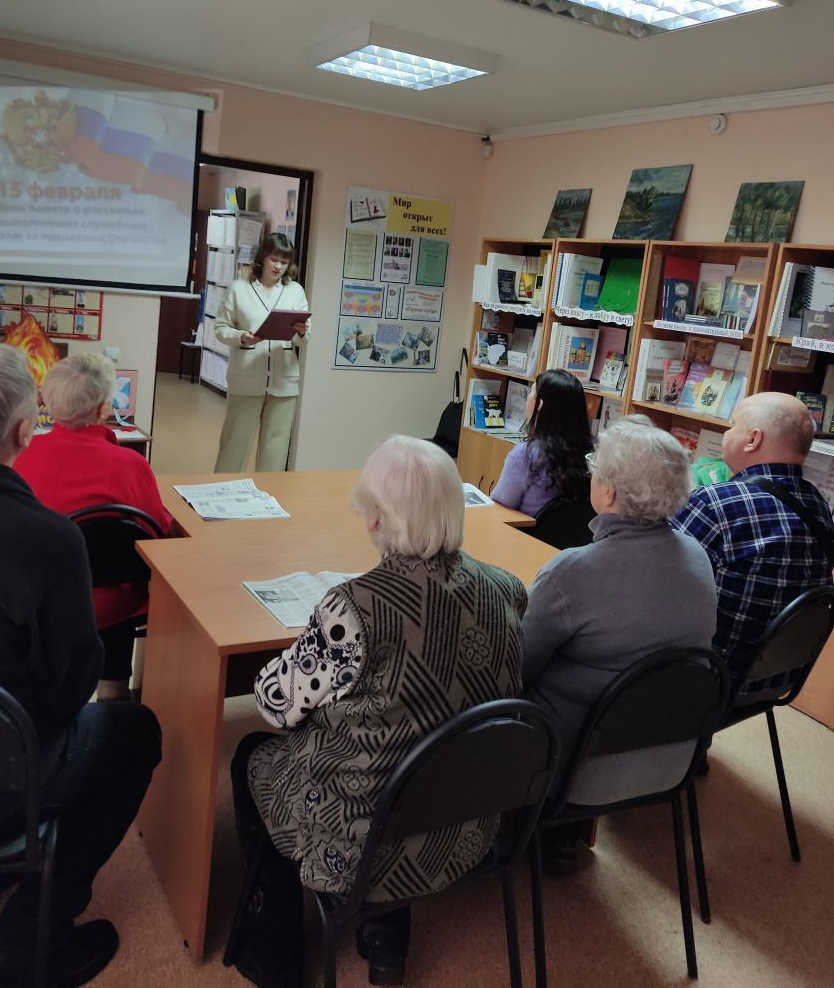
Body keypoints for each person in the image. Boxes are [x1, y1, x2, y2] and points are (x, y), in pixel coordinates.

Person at [230, 435, 527, 988]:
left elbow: (276, 705)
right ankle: (388, 937)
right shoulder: (506, 589)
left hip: (360, 839)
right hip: (464, 823)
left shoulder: (354, 608)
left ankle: (273, 953)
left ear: (374, 520)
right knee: (413, 748)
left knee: (253, 755)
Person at [0, 344, 161, 988]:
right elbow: (72, 686)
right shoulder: (47, 538)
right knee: (134, 733)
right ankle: (25, 947)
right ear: (21, 430)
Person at [522, 415, 717, 794]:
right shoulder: (697, 555)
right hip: (673, 752)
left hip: (575, 763)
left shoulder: (571, 572)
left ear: (609, 492)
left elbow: (518, 664)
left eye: (595, 468)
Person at [14, 352, 174, 701]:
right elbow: (158, 534)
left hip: (38, 602)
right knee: (118, 594)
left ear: (46, 403)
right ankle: (113, 692)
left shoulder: (20, 457)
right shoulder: (131, 465)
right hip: (112, 606)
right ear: (103, 409)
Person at [672, 392, 834, 696]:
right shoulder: (818, 505)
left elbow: (651, 577)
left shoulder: (715, 503)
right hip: (777, 678)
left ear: (753, 439)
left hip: (708, 678)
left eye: (733, 425)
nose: (725, 433)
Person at [214, 232, 310, 473]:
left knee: (275, 451)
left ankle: (269, 493)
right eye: (274, 259)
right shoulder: (239, 288)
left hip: (284, 382)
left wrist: (302, 332)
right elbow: (220, 328)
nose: (278, 266)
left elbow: (305, 337)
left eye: (284, 262)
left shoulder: (295, 291)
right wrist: (241, 337)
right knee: (234, 446)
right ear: (262, 257)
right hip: (246, 378)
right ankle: (220, 490)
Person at [491, 368, 593, 517]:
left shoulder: (525, 455)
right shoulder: (590, 456)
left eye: (531, 392)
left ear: (539, 404)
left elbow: (500, 507)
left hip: (521, 531)